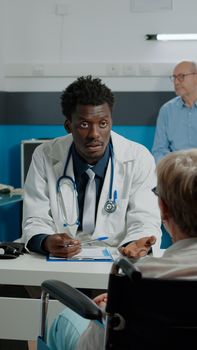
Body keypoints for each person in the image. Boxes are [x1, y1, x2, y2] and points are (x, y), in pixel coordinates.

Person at [47, 148, 197, 350]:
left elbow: (89, 347)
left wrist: (106, 313)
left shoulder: (138, 278)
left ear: (163, 208)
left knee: (65, 319)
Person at [22, 75, 161, 258]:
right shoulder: (45, 155)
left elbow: (145, 218)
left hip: (117, 257)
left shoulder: (138, 158)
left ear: (111, 122)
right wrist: (46, 241)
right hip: (58, 260)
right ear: (68, 126)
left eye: (103, 124)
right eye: (84, 124)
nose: (95, 134)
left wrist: (135, 244)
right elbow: (35, 218)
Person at [152, 60, 197, 164]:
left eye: (181, 76)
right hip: (176, 172)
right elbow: (158, 150)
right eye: (174, 77)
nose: (176, 82)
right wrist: (173, 169)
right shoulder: (167, 110)